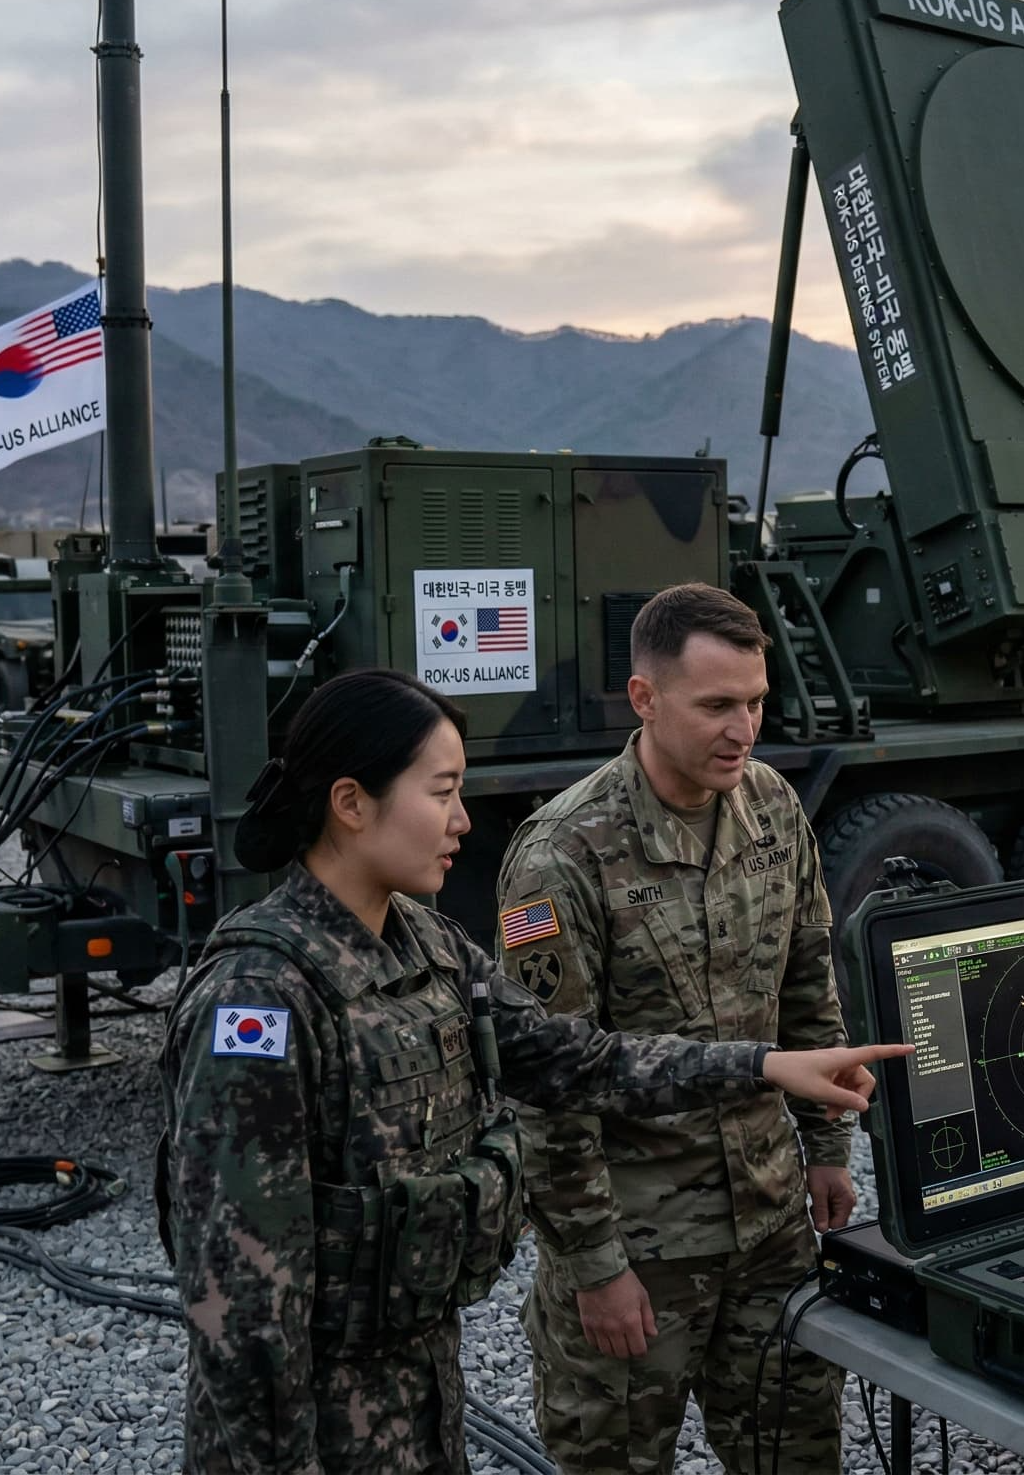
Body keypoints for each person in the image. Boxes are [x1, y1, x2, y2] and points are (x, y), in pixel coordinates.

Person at [157, 666, 907, 1475]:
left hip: (416, 1406)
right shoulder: (261, 1000)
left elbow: (576, 1059)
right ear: (351, 803)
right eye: (441, 792)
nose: (461, 819)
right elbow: (241, 1309)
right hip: (306, 1436)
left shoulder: (428, 946)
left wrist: (763, 1063)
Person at [496, 583, 849, 1475]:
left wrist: (828, 1148)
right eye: (717, 706)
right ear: (645, 698)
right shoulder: (561, 856)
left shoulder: (771, 808)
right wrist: (594, 1264)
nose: (744, 728)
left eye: (757, 703)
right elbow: (546, 1084)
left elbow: (808, 981)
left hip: (771, 1231)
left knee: (797, 1456)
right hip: (641, 1251)